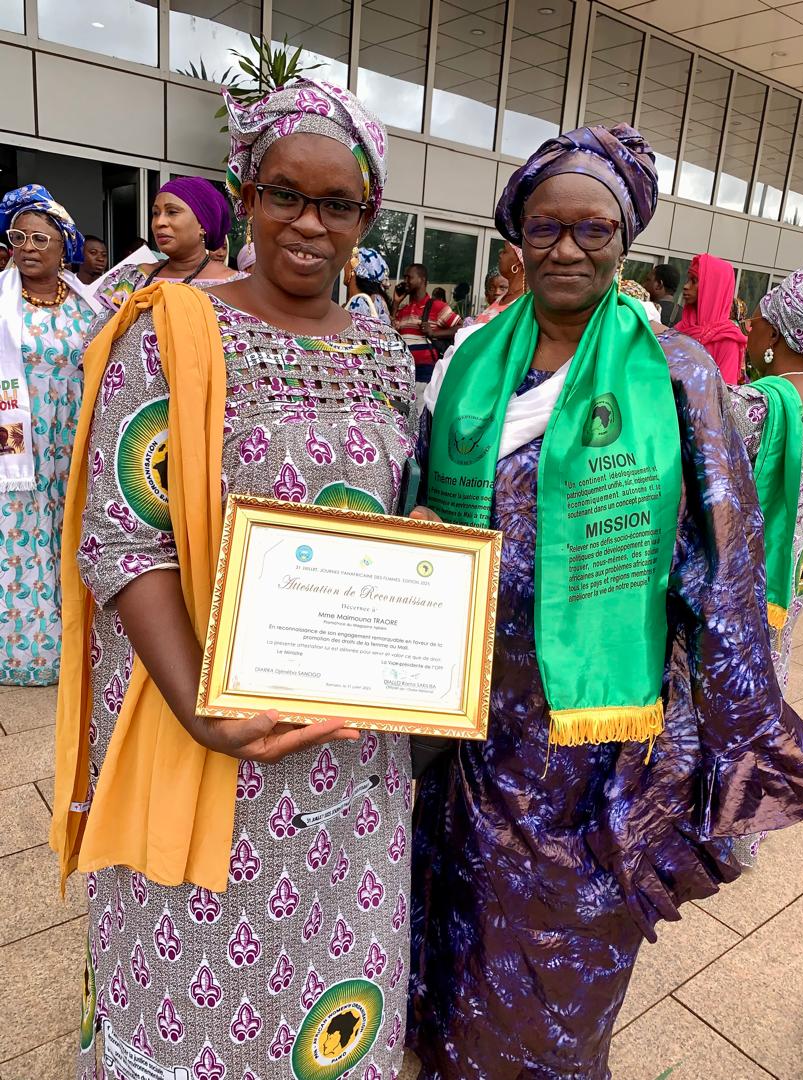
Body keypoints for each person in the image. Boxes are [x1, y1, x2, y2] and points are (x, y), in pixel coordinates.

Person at [407, 124, 803, 1078]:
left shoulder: (677, 374)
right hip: (464, 722)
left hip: (594, 742)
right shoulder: (469, 364)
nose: (568, 249)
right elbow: (415, 494)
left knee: (562, 949)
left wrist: (721, 743)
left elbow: (724, 561)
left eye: (593, 229)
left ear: (624, 240)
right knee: (458, 922)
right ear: (516, 238)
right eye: (546, 227)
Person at [51, 78, 415, 1079]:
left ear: (367, 216)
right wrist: (205, 708)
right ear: (247, 194)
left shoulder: (384, 347)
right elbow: (123, 539)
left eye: (337, 204)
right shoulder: (167, 333)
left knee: (332, 982)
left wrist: (421, 539)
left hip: (351, 754)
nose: (309, 223)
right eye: (284, 194)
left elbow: (401, 508)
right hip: (201, 722)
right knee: (189, 989)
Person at [0, 184, 101, 686]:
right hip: (17, 442)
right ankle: (27, 652)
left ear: (64, 246)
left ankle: (82, 644)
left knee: (71, 530)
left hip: (72, 437)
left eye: (40, 239)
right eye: (18, 237)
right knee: (22, 535)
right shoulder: (2, 302)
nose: (28, 248)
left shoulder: (88, 305)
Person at [728, 269, 803, 866]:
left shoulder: (755, 405)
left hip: (739, 578)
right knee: (768, 680)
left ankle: (709, 825)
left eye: (757, 320)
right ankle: (747, 830)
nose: (748, 328)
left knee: (720, 689)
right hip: (793, 576)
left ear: (776, 336)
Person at [97, 176, 239, 311]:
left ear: (202, 225)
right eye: (155, 213)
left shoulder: (237, 286)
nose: (159, 222)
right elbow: (107, 329)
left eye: (172, 212)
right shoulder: (132, 279)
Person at [675, 253, 747, 384]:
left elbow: (724, 391)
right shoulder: (680, 328)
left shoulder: (727, 340)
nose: (686, 286)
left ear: (712, 288)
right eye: (688, 280)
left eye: (694, 281)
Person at [394, 263, 461, 385]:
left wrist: (434, 333)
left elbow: (461, 328)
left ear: (422, 280)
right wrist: (395, 303)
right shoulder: (403, 310)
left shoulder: (437, 306)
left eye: (409, 277)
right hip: (404, 375)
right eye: (405, 277)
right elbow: (390, 332)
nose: (405, 281)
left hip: (426, 377)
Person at [343, 244, 392, 324]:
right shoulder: (377, 300)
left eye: (347, 263)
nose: (344, 268)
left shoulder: (358, 303)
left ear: (353, 270)